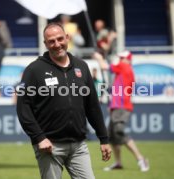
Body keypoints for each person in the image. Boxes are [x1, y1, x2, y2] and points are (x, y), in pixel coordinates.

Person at [17, 23, 112, 179]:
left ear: (67, 38)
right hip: (49, 146)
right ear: (45, 44)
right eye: (51, 41)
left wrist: (103, 138)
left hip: (79, 145)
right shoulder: (34, 70)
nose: (57, 44)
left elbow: (93, 107)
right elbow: (23, 108)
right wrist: (39, 138)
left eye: (60, 39)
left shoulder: (82, 66)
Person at [93, 51, 150, 172]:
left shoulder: (124, 66)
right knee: (112, 135)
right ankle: (118, 163)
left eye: (121, 58)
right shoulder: (124, 70)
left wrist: (99, 57)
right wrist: (111, 104)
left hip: (121, 107)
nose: (119, 60)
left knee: (118, 132)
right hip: (117, 106)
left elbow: (105, 67)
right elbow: (117, 89)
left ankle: (141, 159)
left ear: (125, 59)